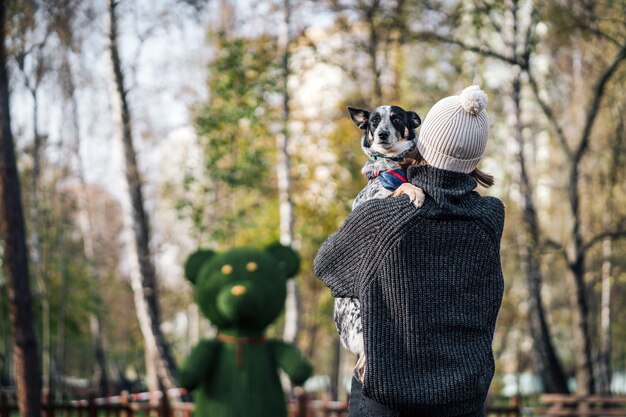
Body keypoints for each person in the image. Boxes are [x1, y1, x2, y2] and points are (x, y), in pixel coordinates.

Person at [314, 85, 504, 417]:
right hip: (465, 395)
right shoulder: (490, 218)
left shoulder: (387, 215)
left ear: (421, 141)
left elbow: (327, 264)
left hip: (390, 394)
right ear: (477, 155)